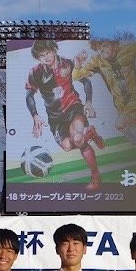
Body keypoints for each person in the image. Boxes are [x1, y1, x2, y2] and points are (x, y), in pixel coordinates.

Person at [24, 39, 104, 190]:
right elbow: (29, 96)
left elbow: (87, 82)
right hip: (55, 118)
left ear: (54, 50)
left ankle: (95, 176)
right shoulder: (35, 72)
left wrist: (88, 102)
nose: (46, 57)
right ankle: (90, 133)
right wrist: (35, 115)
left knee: (78, 138)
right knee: (67, 146)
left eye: (48, 53)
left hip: (73, 108)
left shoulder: (68, 64)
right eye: (42, 55)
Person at [72, 39, 136, 165]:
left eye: (106, 45)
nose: (102, 50)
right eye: (99, 47)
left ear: (115, 45)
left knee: (120, 124)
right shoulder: (97, 61)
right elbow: (76, 76)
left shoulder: (128, 50)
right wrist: (78, 65)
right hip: (120, 105)